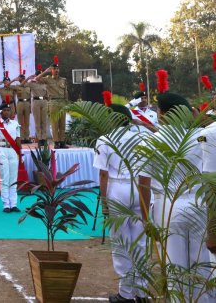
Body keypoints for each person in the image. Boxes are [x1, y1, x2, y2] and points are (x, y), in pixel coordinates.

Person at [138, 90, 210, 302]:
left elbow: (144, 183)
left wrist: (145, 219)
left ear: (161, 113)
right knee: (201, 267)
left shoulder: (151, 141)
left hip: (168, 205)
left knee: (175, 269)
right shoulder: (201, 137)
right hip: (198, 204)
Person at [93, 104, 147, 303]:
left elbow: (103, 173)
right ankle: (142, 291)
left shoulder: (105, 139)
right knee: (140, 241)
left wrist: (104, 202)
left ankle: (125, 293)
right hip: (139, 186)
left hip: (117, 188)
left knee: (120, 241)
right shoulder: (142, 137)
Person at [34, 58, 69, 148]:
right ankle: (56, 142)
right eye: (54, 69)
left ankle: (62, 141)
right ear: (51, 70)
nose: (56, 70)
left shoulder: (63, 80)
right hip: (53, 102)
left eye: (57, 69)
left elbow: (66, 92)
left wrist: (67, 103)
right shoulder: (47, 79)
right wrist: (45, 71)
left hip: (62, 102)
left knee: (62, 123)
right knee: (55, 123)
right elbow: (37, 79)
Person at [25, 66, 49, 145]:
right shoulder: (32, 84)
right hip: (36, 102)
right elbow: (23, 85)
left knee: (44, 121)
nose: (41, 77)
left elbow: (48, 95)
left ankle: (44, 138)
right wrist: (28, 78)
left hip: (44, 101)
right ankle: (39, 139)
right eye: (39, 75)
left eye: (42, 75)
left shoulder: (45, 84)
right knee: (37, 121)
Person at [11, 73, 33, 143]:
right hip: (20, 103)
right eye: (21, 78)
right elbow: (7, 85)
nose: (22, 79)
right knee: (20, 122)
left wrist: (30, 107)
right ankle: (22, 138)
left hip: (27, 103)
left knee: (27, 122)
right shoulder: (17, 86)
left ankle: (27, 137)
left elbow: (30, 97)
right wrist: (14, 80)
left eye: (23, 78)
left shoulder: (28, 87)